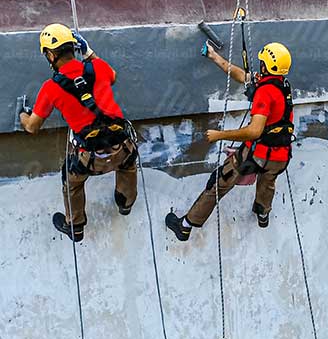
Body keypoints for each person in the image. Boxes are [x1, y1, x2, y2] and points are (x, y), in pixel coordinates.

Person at [19, 24, 137, 242]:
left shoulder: (51, 88)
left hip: (89, 158)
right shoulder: (98, 67)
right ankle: (126, 204)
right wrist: (90, 53)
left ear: (52, 54)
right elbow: (113, 75)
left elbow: (32, 127)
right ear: (74, 48)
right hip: (123, 147)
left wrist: (22, 115)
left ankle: (75, 225)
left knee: (71, 181)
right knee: (128, 167)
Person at [166, 41, 294, 241]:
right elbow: (241, 75)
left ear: (265, 65)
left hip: (257, 154)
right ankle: (262, 214)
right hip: (281, 156)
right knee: (268, 182)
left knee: (220, 181)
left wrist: (219, 135)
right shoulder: (282, 85)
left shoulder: (264, 92)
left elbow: (254, 131)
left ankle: (185, 225)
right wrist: (214, 56)